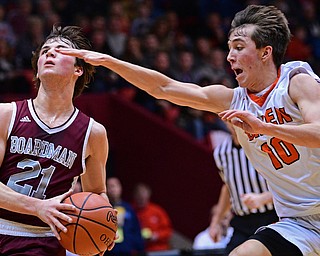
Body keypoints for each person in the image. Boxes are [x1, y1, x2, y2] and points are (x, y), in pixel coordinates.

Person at [57, 4, 320, 255]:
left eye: (239, 48)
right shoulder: (231, 99)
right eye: (229, 48)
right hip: (298, 222)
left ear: (266, 52)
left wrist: (266, 128)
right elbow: (164, 88)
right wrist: (109, 61)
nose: (230, 57)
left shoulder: (298, 84)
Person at [0, 25, 116, 255]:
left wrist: (105, 223)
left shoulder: (93, 133)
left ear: (78, 70)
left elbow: (96, 194)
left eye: (60, 50)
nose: (49, 53)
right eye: (45, 51)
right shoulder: (5, 115)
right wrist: (38, 207)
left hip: (44, 239)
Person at [210, 122, 278, 255]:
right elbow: (227, 187)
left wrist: (263, 198)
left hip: (272, 217)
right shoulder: (221, 153)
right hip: (242, 221)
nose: (233, 124)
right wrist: (216, 222)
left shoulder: (263, 144)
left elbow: (285, 182)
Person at [105, 177, 144, 256]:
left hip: (126, 250)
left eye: (114, 186)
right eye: (109, 186)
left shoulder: (128, 208)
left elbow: (136, 228)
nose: (112, 189)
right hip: (109, 251)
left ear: (120, 188)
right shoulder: (102, 208)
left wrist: (137, 247)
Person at [132, 183, 173, 252]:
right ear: (135, 196)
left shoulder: (157, 211)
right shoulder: (130, 210)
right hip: (138, 251)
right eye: (139, 194)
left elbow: (168, 231)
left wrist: (156, 236)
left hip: (158, 250)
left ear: (149, 195)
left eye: (144, 194)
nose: (141, 197)